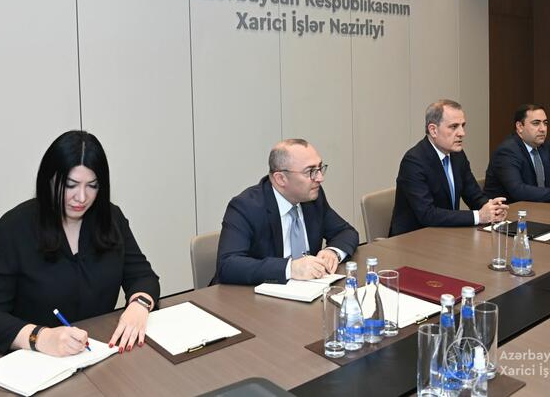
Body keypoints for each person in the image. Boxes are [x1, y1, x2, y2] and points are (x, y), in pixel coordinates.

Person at [0, 130, 159, 356]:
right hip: (33, 358)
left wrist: (139, 305)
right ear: (49, 179)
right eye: (71, 185)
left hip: (96, 351)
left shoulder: (110, 219)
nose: (82, 197)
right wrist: (40, 337)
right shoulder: (12, 229)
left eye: (92, 185)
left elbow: (143, 277)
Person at [214, 139, 359, 286]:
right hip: (250, 295)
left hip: (308, 291)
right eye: (310, 171)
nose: (320, 178)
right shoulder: (246, 206)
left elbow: (346, 232)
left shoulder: (312, 197)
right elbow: (228, 265)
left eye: (320, 168)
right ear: (281, 178)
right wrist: (290, 268)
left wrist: (332, 252)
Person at [389, 99, 508, 236]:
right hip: (413, 238)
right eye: (454, 126)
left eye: (463, 126)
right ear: (433, 130)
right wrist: (479, 216)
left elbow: (474, 195)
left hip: (446, 233)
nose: (462, 133)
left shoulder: (457, 155)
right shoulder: (414, 161)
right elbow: (427, 214)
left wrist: (491, 208)